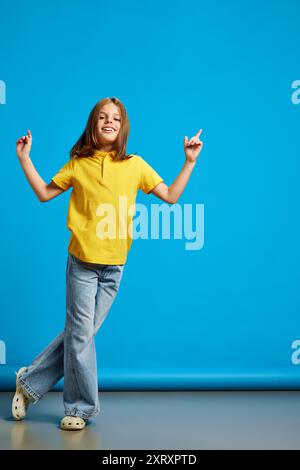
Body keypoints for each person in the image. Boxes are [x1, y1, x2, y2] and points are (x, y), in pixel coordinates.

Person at [12, 96, 204, 430]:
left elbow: (172, 196)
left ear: (123, 126)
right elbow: (44, 193)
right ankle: (78, 409)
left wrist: (188, 161)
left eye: (115, 118)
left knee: (79, 335)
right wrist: (24, 159)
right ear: (93, 124)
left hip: (114, 269)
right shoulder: (78, 163)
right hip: (83, 264)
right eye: (102, 117)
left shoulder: (136, 166)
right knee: (80, 337)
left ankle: (29, 383)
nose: (109, 122)